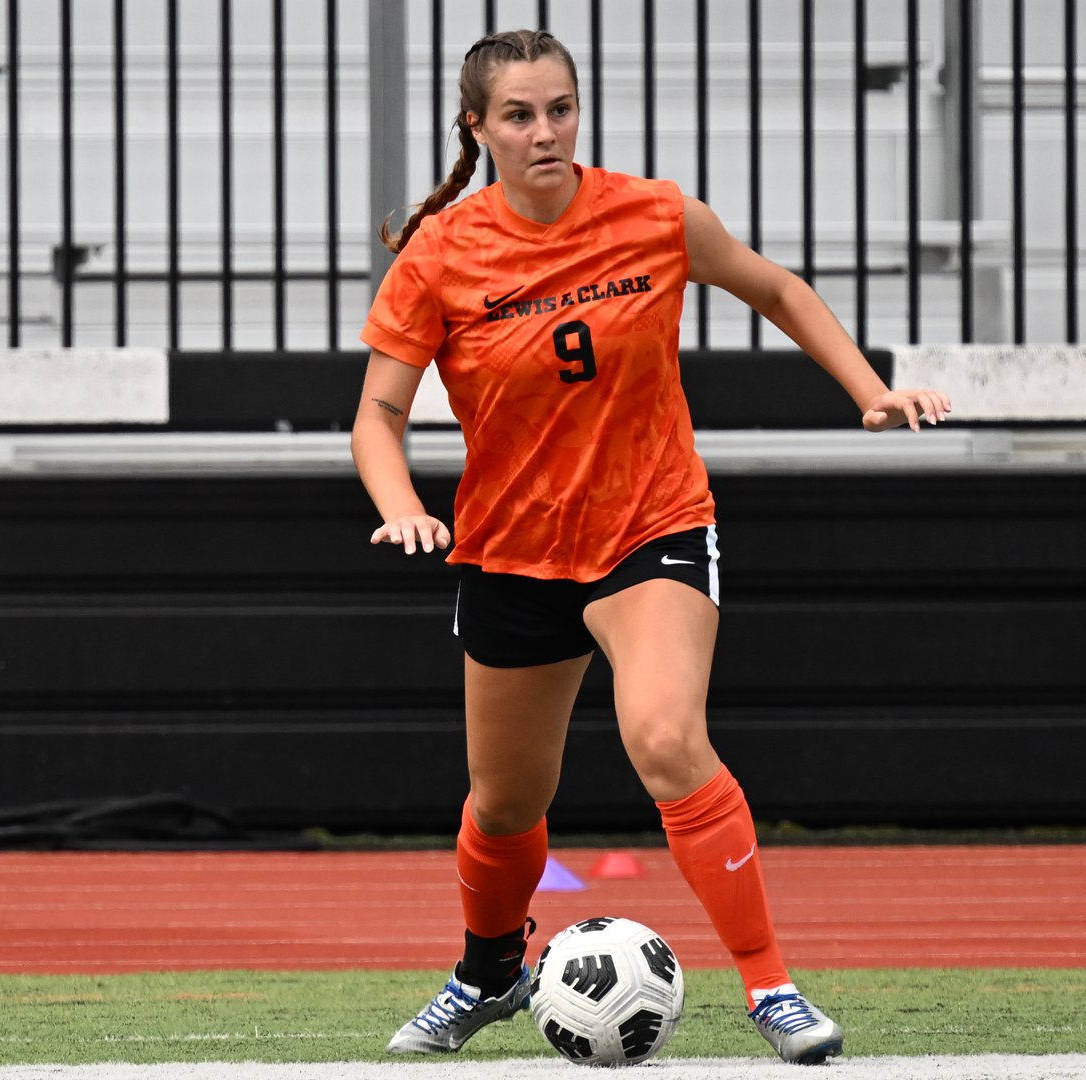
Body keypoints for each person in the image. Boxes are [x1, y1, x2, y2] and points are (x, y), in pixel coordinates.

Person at [353, 29, 952, 1066]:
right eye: (519, 115)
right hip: (510, 549)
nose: (545, 132)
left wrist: (873, 392)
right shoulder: (443, 253)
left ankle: (772, 990)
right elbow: (377, 415)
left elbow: (777, 289)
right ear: (477, 128)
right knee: (504, 804)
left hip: (651, 524)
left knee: (666, 740)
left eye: (560, 109)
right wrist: (402, 501)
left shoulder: (655, 212)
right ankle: (488, 972)